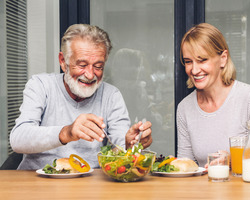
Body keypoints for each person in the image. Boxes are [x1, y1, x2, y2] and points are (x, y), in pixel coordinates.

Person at [9, 24, 153, 170]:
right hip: (35, 182)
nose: (90, 75)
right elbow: (18, 139)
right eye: (82, 65)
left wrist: (129, 145)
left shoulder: (111, 95)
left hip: (90, 184)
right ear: (63, 62)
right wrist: (67, 132)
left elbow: (119, 149)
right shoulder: (40, 85)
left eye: (98, 66)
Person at [176, 23, 250, 170]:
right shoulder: (184, 108)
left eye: (202, 60)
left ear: (223, 58)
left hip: (246, 192)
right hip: (204, 192)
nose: (194, 70)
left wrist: (234, 161)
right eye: (188, 62)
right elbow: (186, 167)